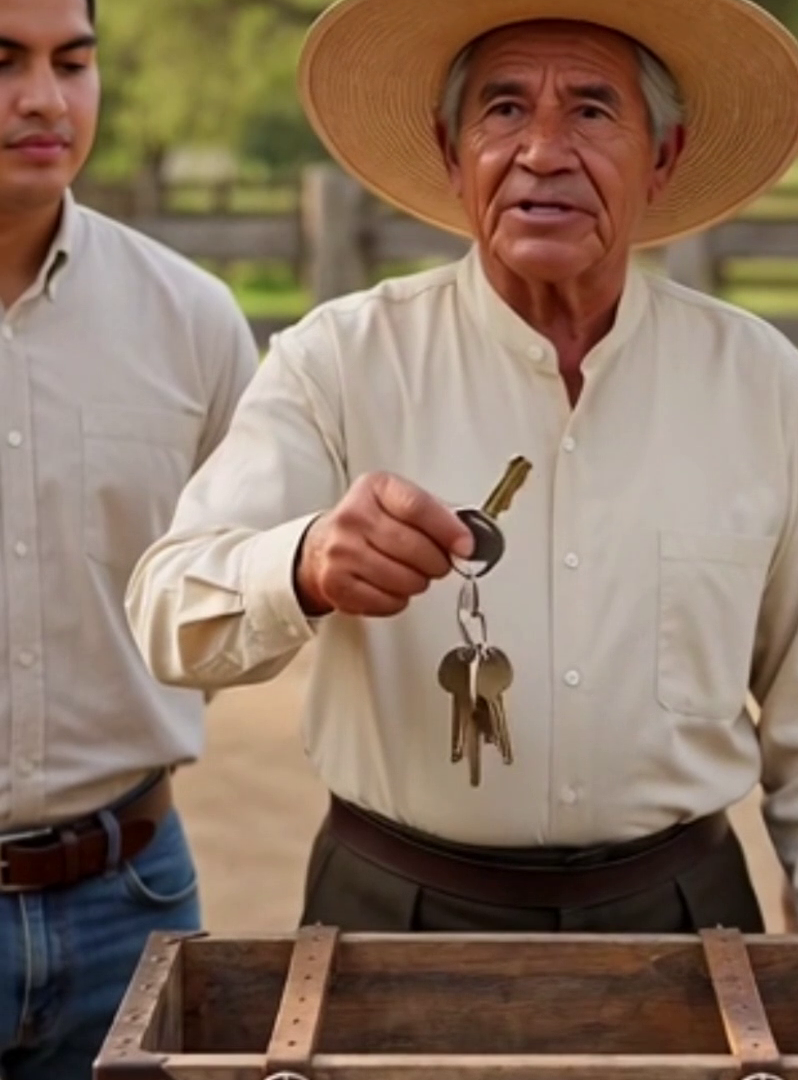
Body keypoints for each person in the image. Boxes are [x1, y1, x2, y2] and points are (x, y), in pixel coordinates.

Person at [126, 0, 798, 939]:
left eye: (590, 110)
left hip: (683, 913)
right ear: (452, 153)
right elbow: (170, 615)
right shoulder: (339, 361)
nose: (543, 150)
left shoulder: (761, 385)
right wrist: (302, 564)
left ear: (662, 157)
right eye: (502, 111)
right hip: (392, 910)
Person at [0, 0, 259, 1077]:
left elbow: (253, 581)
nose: (44, 99)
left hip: (134, 899)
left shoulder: (193, 321)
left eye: (74, 61)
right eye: (3, 62)